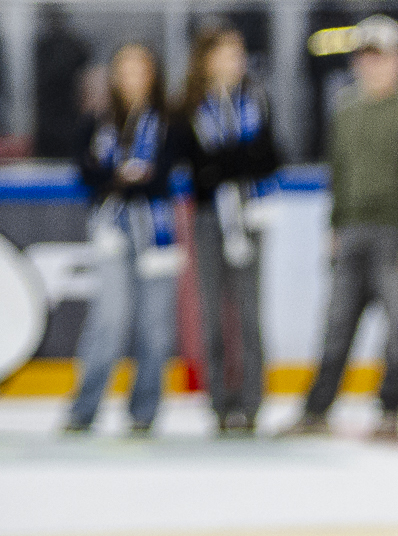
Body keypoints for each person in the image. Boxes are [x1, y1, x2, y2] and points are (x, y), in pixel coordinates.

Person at [284, 16, 398, 441]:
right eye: (366, 57)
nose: (372, 66)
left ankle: (390, 409)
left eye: (381, 57)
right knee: (336, 326)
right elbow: (339, 173)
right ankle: (317, 410)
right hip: (353, 230)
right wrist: (336, 224)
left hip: (395, 233)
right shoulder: (346, 110)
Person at [170, 24, 281, 436]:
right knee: (213, 312)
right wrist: (233, 161)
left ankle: (251, 402)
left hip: (250, 216)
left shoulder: (256, 101)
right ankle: (219, 401)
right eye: (225, 53)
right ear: (205, 60)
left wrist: (224, 163)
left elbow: (269, 157)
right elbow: (196, 168)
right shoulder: (188, 108)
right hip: (207, 218)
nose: (235, 61)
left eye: (238, 53)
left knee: (250, 311)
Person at [61, 43, 178, 435]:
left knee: (154, 327)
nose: (132, 79)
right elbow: (86, 173)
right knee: (109, 319)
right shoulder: (97, 122)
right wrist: (120, 178)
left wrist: (125, 179)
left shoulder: (168, 123)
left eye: (139, 70)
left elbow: (163, 175)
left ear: (152, 76)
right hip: (111, 228)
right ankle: (83, 411)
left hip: (156, 232)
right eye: (125, 70)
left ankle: (144, 413)